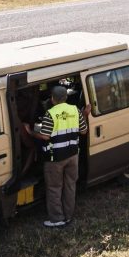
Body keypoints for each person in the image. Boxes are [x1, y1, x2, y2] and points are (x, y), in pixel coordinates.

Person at [34, 85, 89, 227]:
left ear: (52, 99)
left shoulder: (50, 114)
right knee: (70, 185)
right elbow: (83, 131)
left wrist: (31, 132)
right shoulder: (75, 110)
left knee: (54, 187)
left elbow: (45, 136)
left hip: (55, 158)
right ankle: (68, 216)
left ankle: (57, 219)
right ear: (66, 97)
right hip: (73, 155)